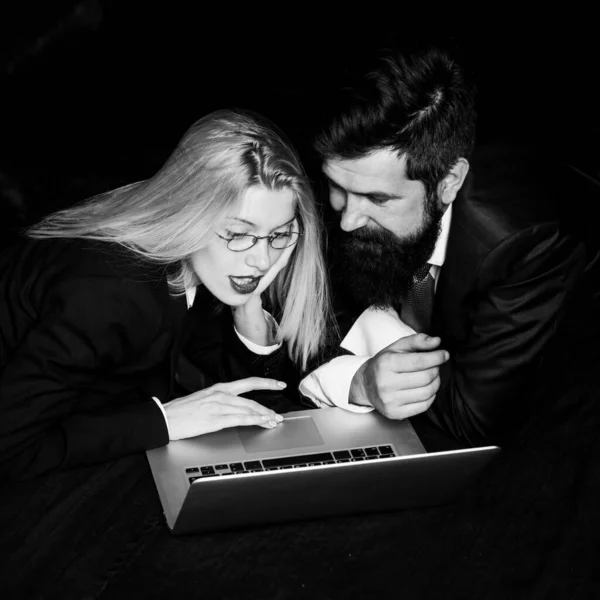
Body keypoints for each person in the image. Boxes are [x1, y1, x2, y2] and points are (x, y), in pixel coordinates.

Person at [0, 108, 332, 479]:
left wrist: (249, 308)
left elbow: (229, 400)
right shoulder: (112, 294)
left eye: (279, 235)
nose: (262, 259)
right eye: (239, 234)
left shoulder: (200, 264)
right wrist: (164, 421)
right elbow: (10, 448)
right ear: (189, 213)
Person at [299, 46, 586, 449]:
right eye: (337, 188)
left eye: (379, 200)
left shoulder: (528, 245)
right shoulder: (344, 184)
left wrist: (379, 363)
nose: (347, 220)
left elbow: (473, 416)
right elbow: (297, 319)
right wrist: (363, 380)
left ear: (449, 181)